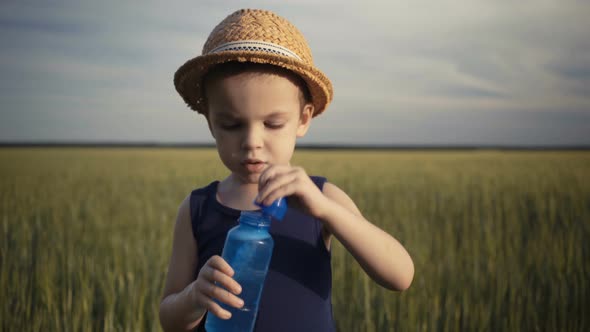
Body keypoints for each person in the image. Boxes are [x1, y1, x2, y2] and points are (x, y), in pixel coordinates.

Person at [159, 8, 414, 332]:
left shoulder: (321, 197)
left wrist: (326, 211)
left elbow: (400, 276)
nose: (252, 142)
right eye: (231, 124)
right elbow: (169, 319)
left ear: (303, 119)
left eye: (273, 123)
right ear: (211, 123)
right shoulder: (197, 209)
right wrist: (195, 296)